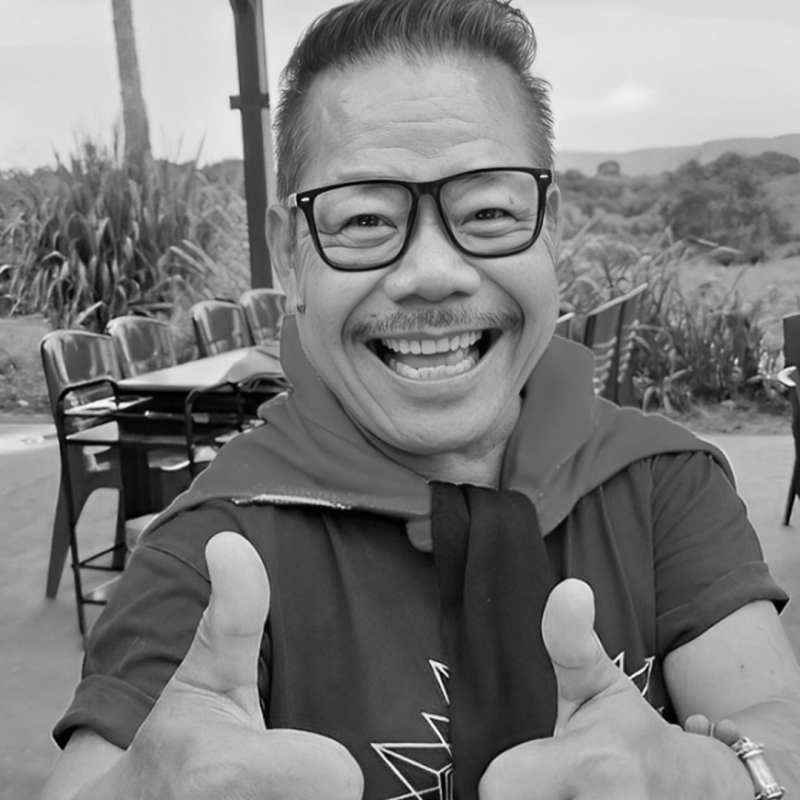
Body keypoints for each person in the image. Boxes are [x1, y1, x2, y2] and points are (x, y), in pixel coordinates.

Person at [43, 1, 800, 798]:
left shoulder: (660, 484)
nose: (433, 273)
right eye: (366, 218)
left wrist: (718, 778)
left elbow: (777, 717)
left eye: (489, 212)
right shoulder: (212, 557)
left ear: (548, 229)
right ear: (290, 255)